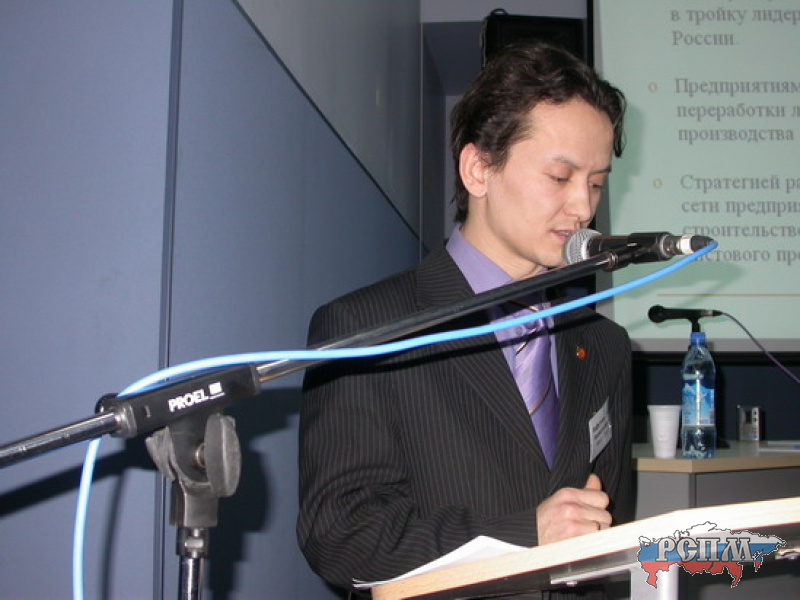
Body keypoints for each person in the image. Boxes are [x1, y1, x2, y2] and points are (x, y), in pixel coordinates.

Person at [297, 41, 633, 598]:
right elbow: (340, 538)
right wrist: (523, 534)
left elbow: (608, 533)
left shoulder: (604, 344)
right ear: (478, 169)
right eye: (560, 176)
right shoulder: (364, 327)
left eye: (596, 182)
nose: (583, 208)